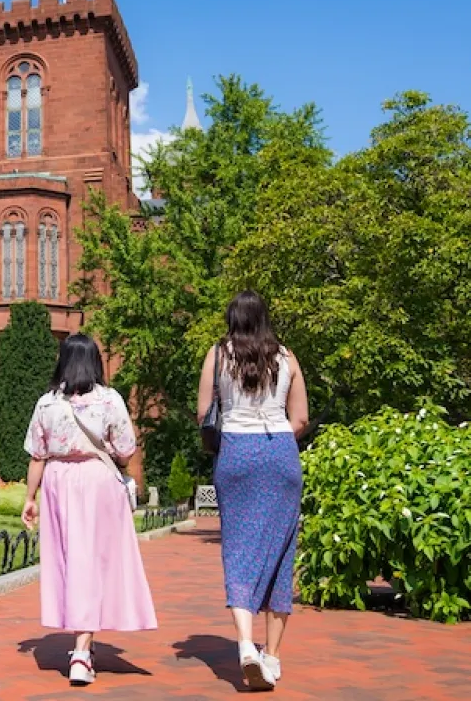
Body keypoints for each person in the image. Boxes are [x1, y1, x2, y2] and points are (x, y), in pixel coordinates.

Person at [21, 333, 157, 687]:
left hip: (58, 481)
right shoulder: (109, 399)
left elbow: (37, 455)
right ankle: (82, 651)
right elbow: (126, 451)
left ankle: (81, 642)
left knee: (71, 561)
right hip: (98, 482)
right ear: (95, 360)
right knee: (93, 562)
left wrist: (29, 499)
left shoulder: (47, 403)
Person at [198, 290, 309, 691]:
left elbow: (202, 414)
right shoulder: (287, 356)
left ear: (232, 318)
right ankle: (273, 658)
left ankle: (246, 644)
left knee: (239, 549)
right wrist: (274, 440)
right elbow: (301, 419)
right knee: (281, 552)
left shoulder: (218, 354)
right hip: (280, 451)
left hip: (236, 454)